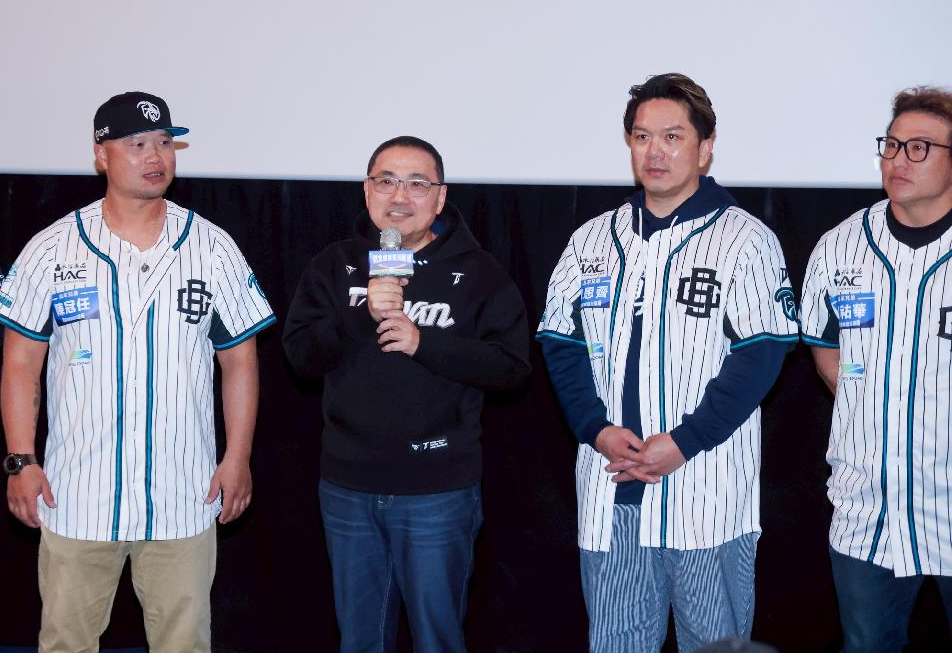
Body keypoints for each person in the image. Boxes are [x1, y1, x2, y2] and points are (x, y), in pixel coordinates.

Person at [0, 91, 274, 653]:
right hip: (77, 494)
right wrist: (20, 460)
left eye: (164, 142)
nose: (155, 156)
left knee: (183, 643)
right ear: (102, 155)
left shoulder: (211, 246)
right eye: (137, 144)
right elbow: (20, 362)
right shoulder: (53, 247)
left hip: (183, 493)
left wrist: (238, 456)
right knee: (65, 642)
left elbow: (239, 360)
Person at [538, 73, 796, 652]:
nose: (655, 151)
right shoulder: (591, 240)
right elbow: (562, 344)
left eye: (673, 137)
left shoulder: (745, 239)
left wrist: (684, 440)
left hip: (704, 494)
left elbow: (760, 357)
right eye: (642, 136)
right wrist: (596, 429)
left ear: (705, 148)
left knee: (715, 646)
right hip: (610, 489)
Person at [283, 135, 530, 653]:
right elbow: (301, 358)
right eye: (386, 181)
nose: (399, 196)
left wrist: (424, 344)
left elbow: (511, 370)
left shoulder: (480, 274)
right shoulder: (335, 264)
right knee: (360, 640)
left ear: (440, 198)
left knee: (437, 639)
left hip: (436, 491)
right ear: (366, 190)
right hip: (347, 488)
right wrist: (362, 316)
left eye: (417, 183)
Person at [800, 86, 952, 652]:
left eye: (919, 147)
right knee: (866, 645)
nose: (898, 159)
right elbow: (826, 352)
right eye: (891, 145)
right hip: (868, 509)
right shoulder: (839, 246)